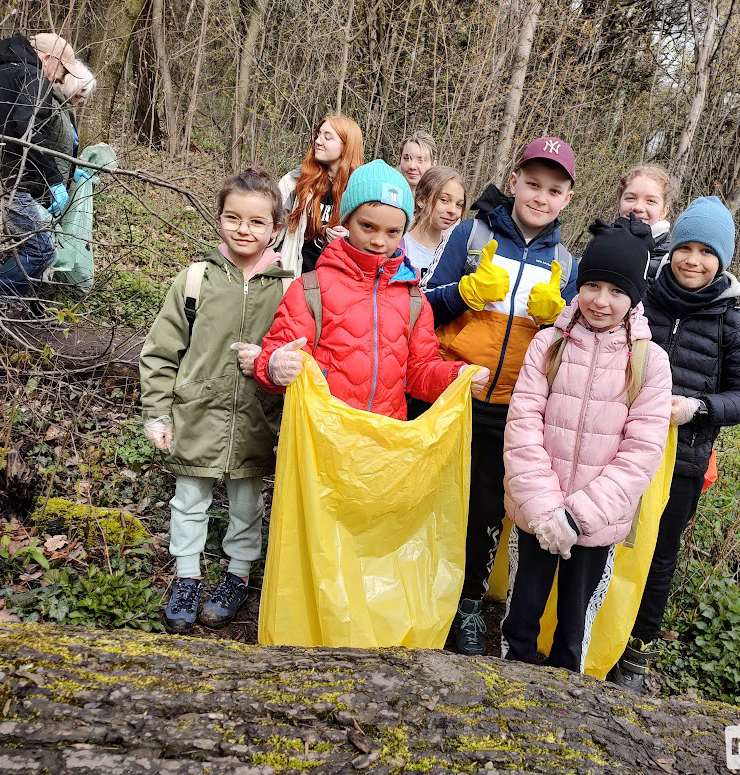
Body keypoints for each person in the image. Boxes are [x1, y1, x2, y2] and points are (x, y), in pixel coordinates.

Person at [422, 135, 578, 656]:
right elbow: (422, 309)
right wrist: (463, 293)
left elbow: (573, 349)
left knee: (487, 511)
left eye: (553, 189)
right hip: (452, 394)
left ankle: (467, 608)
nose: (540, 196)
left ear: (567, 199)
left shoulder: (566, 263)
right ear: (513, 182)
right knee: (432, 500)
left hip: (513, 407)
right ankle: (422, 593)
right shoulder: (470, 234)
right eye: (532, 184)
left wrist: (556, 321)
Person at [501, 217, 673, 673]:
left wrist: (577, 517)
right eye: (593, 286)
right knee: (521, 620)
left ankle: (564, 711)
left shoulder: (649, 362)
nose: (601, 301)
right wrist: (545, 509)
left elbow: (640, 454)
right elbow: (522, 426)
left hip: (595, 524)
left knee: (572, 630)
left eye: (617, 291)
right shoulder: (547, 345)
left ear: (633, 298)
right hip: (536, 514)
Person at [608, 196, 740, 691]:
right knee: (601, 534)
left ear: (722, 260)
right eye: (685, 248)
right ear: (672, 248)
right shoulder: (640, 300)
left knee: (658, 551)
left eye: (706, 252)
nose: (692, 260)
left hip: (683, 460)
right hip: (617, 446)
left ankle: (634, 652)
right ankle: (592, 627)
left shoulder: (734, 323)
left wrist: (698, 408)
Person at [139, 168, 292, 634]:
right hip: (196, 413)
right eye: (233, 217)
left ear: (276, 228)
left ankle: (237, 575)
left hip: (256, 420)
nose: (243, 229)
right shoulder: (195, 280)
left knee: (247, 505)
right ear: (219, 218)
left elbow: (297, 354)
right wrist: (158, 412)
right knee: (189, 500)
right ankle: (187, 576)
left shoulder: (287, 287)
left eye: (256, 222)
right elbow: (162, 350)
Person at [253, 159, 490, 417]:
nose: (378, 241)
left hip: (382, 445)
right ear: (347, 220)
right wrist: (274, 366)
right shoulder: (310, 290)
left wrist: (456, 375)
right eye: (367, 227)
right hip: (319, 439)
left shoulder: (413, 300)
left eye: (392, 232)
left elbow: (419, 372)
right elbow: (272, 356)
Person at [0, 33, 85, 295]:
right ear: (49, 59)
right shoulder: (32, 77)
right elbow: (27, 131)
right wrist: (53, 182)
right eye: (62, 71)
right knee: (41, 249)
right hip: (0, 182)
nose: (60, 79)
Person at [277, 114, 364, 277]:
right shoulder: (294, 183)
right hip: (295, 281)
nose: (317, 141)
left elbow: (373, 244)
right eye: (318, 135)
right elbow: (273, 232)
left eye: (327, 137)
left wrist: (351, 240)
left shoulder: (360, 192)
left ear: (347, 146)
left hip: (337, 286)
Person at [400, 165, 466, 277]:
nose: (453, 211)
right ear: (421, 200)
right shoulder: (399, 247)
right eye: (445, 200)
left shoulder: (456, 255)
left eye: (459, 205)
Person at [618, 165, 673, 284]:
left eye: (651, 201)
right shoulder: (600, 241)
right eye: (630, 198)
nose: (638, 207)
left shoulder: (671, 258)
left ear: (664, 211)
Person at [397, 129, 437, 196]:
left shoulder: (438, 200)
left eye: (420, 160)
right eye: (406, 158)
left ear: (433, 165)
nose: (412, 166)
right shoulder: (388, 194)